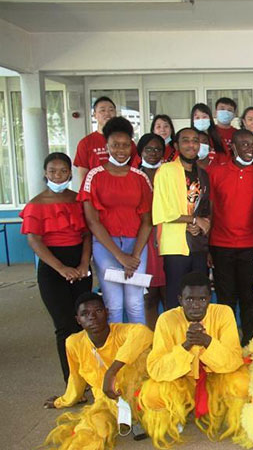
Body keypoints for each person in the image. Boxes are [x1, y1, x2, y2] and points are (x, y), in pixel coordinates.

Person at [25, 293, 152, 450]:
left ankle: (139, 422)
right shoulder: (73, 343)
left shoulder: (124, 332)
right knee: (90, 429)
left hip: (140, 397)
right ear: (78, 319)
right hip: (106, 403)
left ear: (107, 313)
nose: (92, 317)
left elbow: (144, 334)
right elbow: (76, 379)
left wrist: (112, 371)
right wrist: (62, 401)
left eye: (98, 311)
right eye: (85, 314)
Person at [139, 272, 249, 449]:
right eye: (190, 300)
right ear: (180, 300)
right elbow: (156, 369)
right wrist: (186, 345)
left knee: (243, 383)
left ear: (209, 298)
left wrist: (206, 341)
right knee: (152, 394)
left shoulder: (223, 313)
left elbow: (233, 361)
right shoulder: (166, 320)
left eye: (202, 300)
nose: (196, 305)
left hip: (216, 378)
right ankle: (174, 418)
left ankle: (232, 418)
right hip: (181, 380)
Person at [20, 153, 92, 382]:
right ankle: (72, 381)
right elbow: (34, 240)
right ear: (45, 173)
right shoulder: (36, 204)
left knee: (86, 324)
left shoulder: (78, 199)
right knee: (65, 325)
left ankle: (91, 378)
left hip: (80, 266)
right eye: (52, 171)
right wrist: (61, 268)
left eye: (63, 171)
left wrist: (83, 263)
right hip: (52, 269)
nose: (58, 176)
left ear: (70, 173)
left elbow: (88, 234)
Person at [79, 117, 153, 325]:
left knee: (135, 303)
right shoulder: (94, 176)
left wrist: (134, 256)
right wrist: (121, 257)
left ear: (132, 145)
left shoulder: (140, 177)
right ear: (106, 146)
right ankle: (115, 353)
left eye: (125, 145)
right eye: (115, 145)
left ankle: (139, 353)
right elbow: (93, 221)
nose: (120, 150)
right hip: (106, 246)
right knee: (114, 305)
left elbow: (148, 220)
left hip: (136, 245)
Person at [207, 130, 253, 345]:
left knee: (248, 296)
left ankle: (251, 342)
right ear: (234, 147)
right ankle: (226, 342)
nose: (250, 149)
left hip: (251, 245)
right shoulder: (216, 173)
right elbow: (210, 210)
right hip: (221, 245)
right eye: (245, 145)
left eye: (252, 145)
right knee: (225, 298)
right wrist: (207, 248)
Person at [152, 127, 212, 310]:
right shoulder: (166, 171)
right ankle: (173, 337)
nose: (191, 145)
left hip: (198, 243)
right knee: (176, 295)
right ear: (176, 145)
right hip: (175, 246)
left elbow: (205, 209)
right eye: (186, 140)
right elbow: (162, 210)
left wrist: (203, 223)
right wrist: (193, 221)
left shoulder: (203, 174)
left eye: (195, 140)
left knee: (200, 295)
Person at [136, 134, 167, 330]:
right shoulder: (133, 176)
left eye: (157, 149)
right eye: (149, 149)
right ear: (140, 152)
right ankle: (151, 340)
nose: (153, 153)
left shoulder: (169, 173)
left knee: (168, 291)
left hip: (167, 237)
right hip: (142, 239)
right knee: (148, 295)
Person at [74, 96, 138, 184]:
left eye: (111, 110)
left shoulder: (128, 142)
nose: (107, 113)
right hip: (97, 190)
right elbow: (83, 173)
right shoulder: (85, 143)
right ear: (94, 115)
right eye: (102, 110)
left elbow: (134, 168)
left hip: (123, 187)